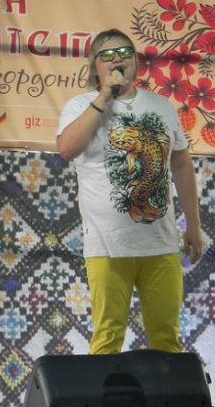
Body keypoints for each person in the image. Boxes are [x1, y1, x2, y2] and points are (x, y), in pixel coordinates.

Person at [57, 28, 203, 355]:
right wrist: (103, 97)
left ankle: (164, 391)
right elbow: (67, 148)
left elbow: (180, 163)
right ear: (94, 65)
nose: (117, 59)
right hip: (107, 246)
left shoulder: (161, 105)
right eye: (107, 55)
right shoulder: (80, 105)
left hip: (160, 243)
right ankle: (103, 392)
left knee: (167, 339)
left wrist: (193, 225)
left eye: (124, 53)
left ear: (136, 62)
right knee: (107, 338)